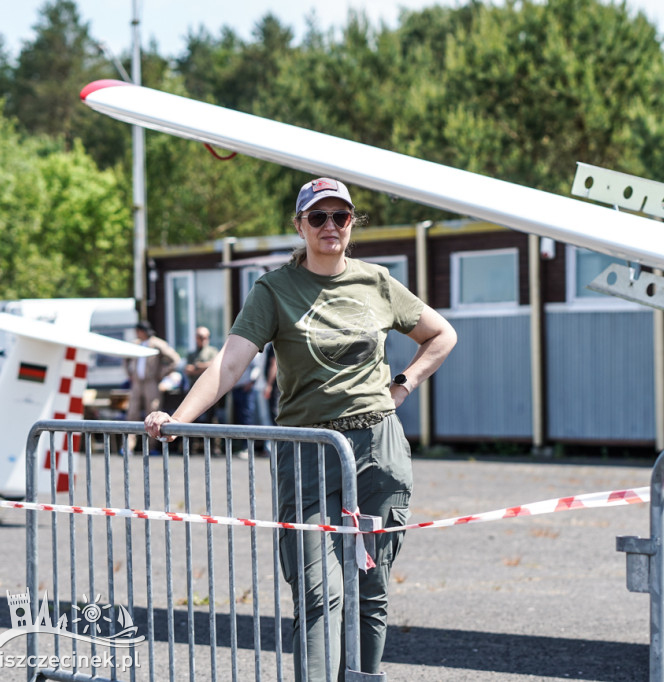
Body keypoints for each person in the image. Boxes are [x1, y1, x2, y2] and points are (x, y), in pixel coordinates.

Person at [144, 177, 457, 680]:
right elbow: (229, 363)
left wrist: (401, 386)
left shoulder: (376, 281)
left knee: (369, 589)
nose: (330, 226)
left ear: (352, 224)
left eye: (341, 217)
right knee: (318, 592)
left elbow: (442, 334)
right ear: (300, 226)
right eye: (319, 217)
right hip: (311, 450)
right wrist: (180, 419)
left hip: (379, 447)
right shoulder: (274, 289)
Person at [125, 320, 181, 453]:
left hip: (151, 382)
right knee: (132, 413)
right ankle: (129, 447)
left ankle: (152, 447)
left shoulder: (157, 344)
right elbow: (125, 358)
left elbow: (175, 359)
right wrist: (130, 372)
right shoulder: (135, 344)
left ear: (142, 331)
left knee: (153, 413)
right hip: (137, 382)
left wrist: (161, 373)